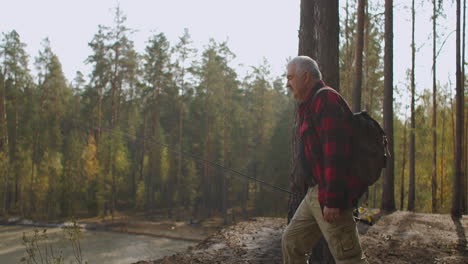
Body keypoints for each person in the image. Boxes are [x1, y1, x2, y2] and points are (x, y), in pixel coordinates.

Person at [282, 56, 368, 264]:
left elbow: (335, 155)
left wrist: (332, 200)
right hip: (315, 193)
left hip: (330, 194)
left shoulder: (326, 101)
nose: (287, 83)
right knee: (291, 242)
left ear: (306, 77)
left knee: (349, 258)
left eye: (291, 77)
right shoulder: (310, 104)